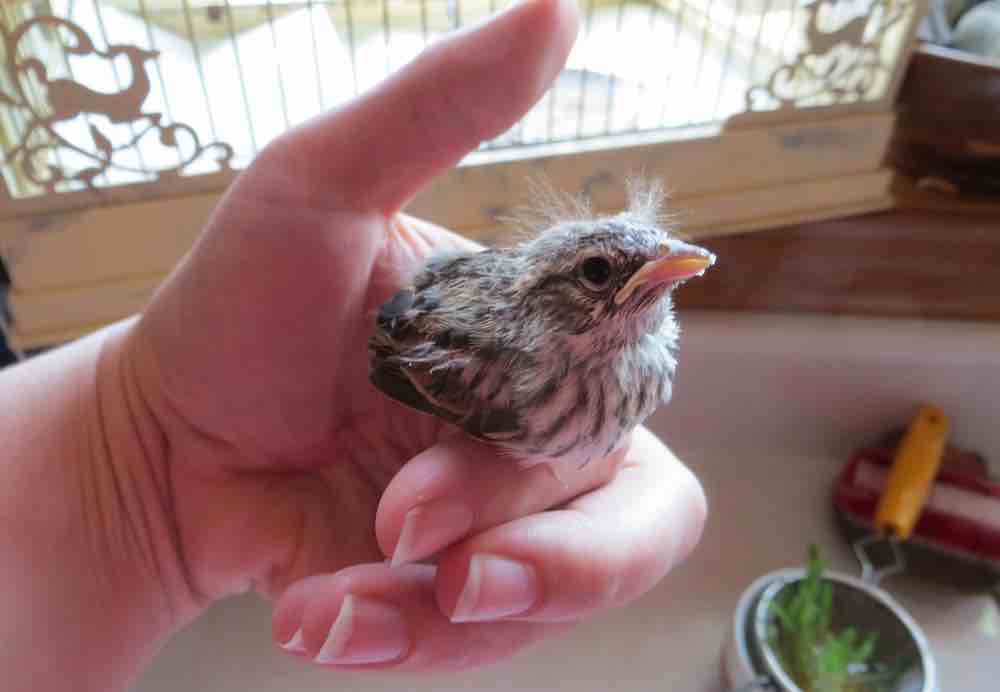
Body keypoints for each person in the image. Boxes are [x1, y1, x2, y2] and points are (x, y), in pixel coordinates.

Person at [0, 0, 706, 689]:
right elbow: (399, 353)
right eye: (596, 275)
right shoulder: (519, 376)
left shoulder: (648, 357)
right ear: (553, 295)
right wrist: (139, 452)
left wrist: (136, 459)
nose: (665, 275)